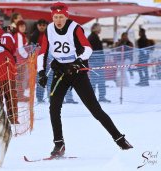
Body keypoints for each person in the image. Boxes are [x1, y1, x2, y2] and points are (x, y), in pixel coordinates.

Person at [37, 2, 133, 157]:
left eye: (61, 17)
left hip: (77, 73)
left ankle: (120, 139)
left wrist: (77, 62)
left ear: (66, 16)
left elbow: (88, 48)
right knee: (54, 108)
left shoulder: (75, 28)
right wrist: (41, 72)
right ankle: (59, 144)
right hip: (61, 73)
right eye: (55, 17)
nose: (58, 20)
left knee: (95, 110)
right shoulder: (49, 29)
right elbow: (42, 52)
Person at [30, 19, 77, 104]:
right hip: (40, 62)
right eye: (40, 25)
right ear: (37, 26)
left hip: (52, 61)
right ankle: (40, 98)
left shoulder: (49, 33)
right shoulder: (34, 35)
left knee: (53, 80)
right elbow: (31, 49)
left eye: (43, 25)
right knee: (41, 79)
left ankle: (52, 97)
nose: (42, 27)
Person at [88, 23, 111, 103]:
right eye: (99, 28)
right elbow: (92, 50)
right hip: (95, 62)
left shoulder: (94, 37)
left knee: (99, 80)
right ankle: (92, 98)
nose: (100, 29)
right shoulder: (92, 37)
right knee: (96, 80)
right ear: (96, 29)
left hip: (97, 62)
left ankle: (99, 97)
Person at [13, 20, 29, 101]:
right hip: (20, 61)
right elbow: (20, 49)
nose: (23, 28)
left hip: (20, 60)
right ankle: (19, 96)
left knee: (20, 78)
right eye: (21, 26)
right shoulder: (19, 35)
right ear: (18, 27)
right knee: (20, 78)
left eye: (24, 26)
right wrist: (28, 56)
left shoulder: (21, 35)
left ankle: (19, 95)